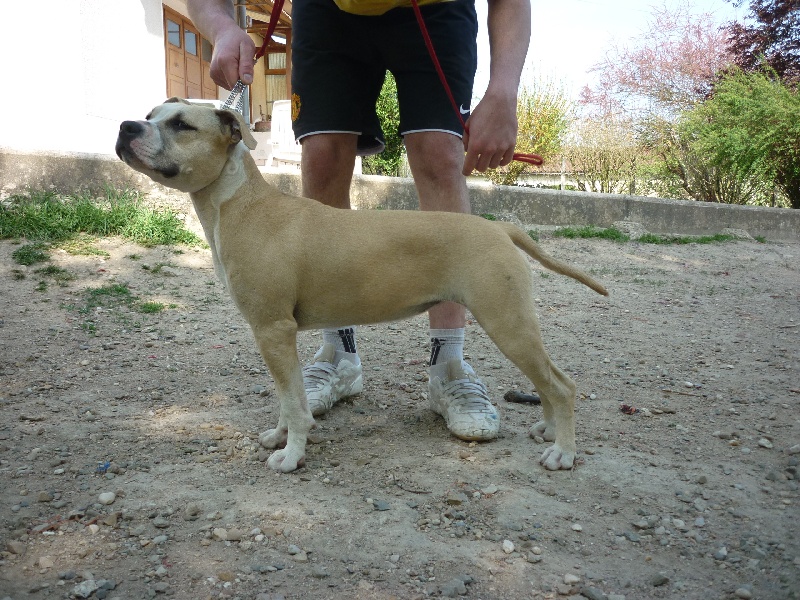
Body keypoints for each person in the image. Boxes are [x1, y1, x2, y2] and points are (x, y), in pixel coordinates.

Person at [187, 0, 531, 441]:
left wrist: (503, 90)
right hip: (328, 12)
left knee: (440, 154)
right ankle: (338, 353)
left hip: (434, 10)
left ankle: (449, 364)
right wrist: (220, 27)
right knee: (324, 154)